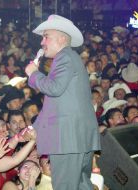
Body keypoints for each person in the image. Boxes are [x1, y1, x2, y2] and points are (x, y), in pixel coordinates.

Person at [25, 14, 101, 190]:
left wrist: (33, 74)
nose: (42, 42)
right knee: (81, 185)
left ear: (62, 38)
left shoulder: (64, 56)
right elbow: (57, 102)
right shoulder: (69, 58)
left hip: (67, 139)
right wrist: (34, 128)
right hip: (77, 138)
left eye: (46, 36)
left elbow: (54, 88)